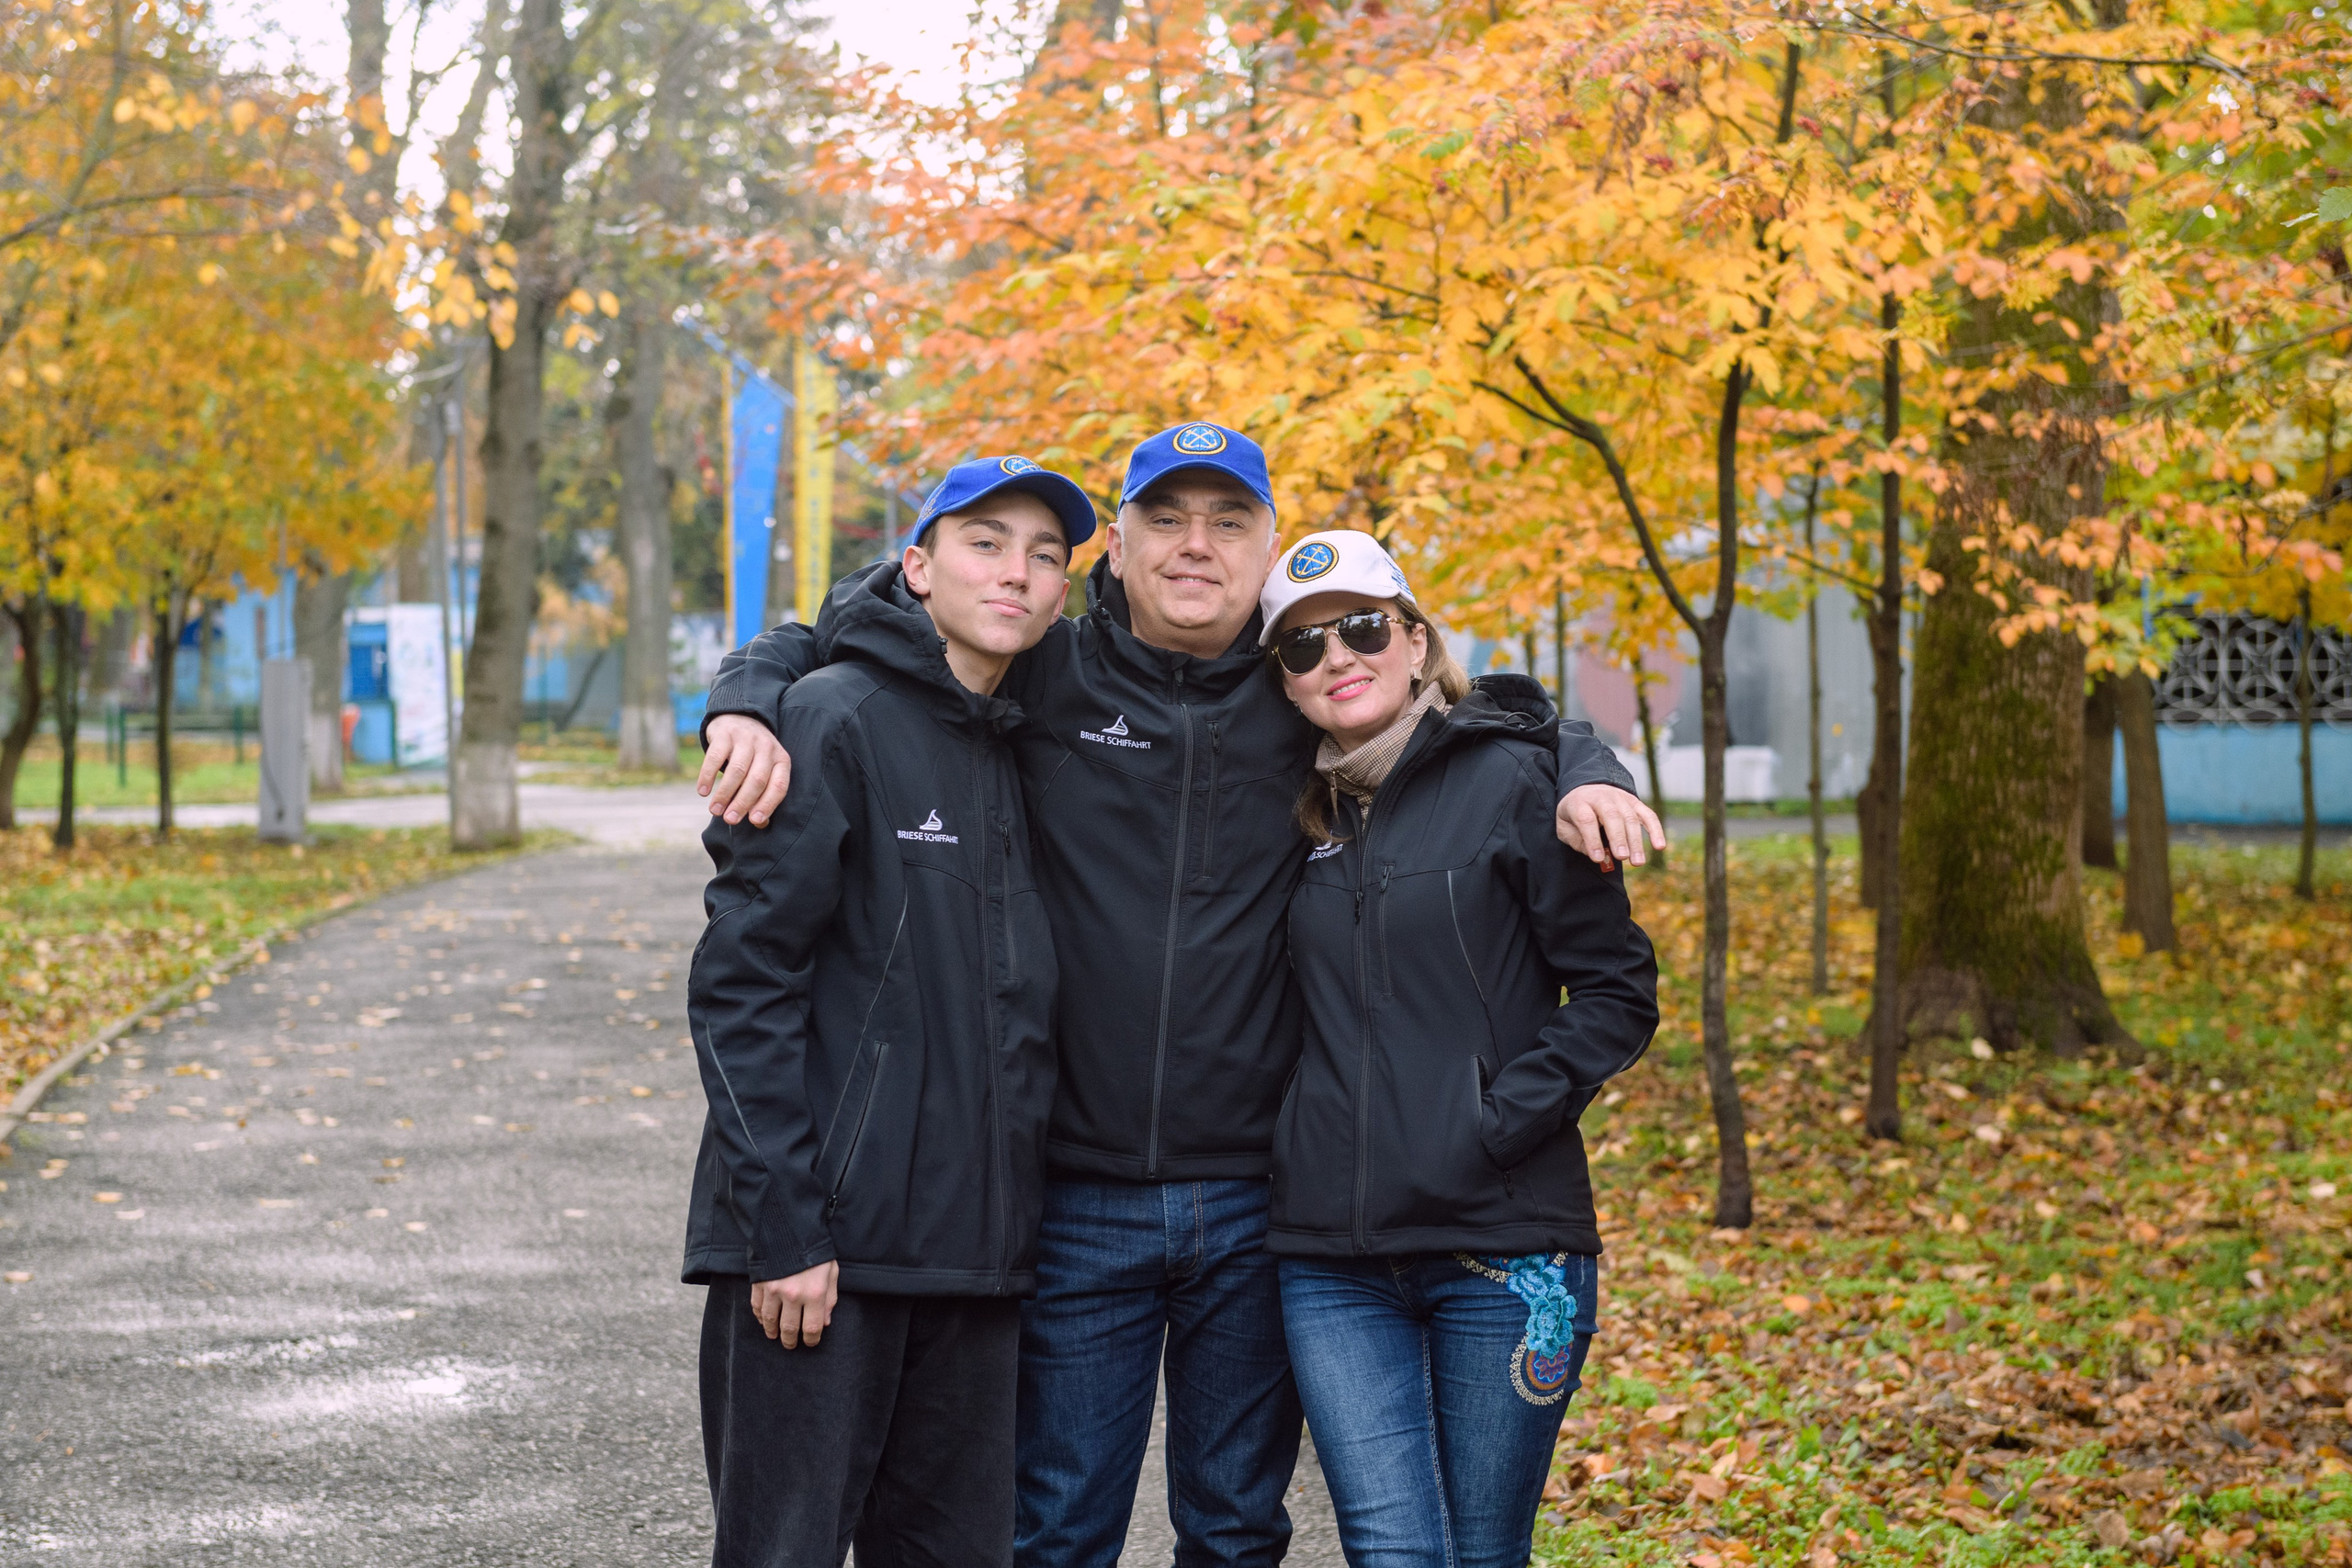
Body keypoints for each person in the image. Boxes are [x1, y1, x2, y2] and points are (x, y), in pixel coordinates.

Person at [692, 423, 1667, 1568]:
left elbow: (1479, 720)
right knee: (1052, 1528)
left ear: (1265, 554)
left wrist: (1589, 759)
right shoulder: (1042, 667)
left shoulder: (1300, 690)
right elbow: (870, 635)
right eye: (1165, 518)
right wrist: (748, 688)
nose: (1195, 546)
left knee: (1237, 1526)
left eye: (1229, 522)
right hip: (1068, 1198)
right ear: (1116, 548)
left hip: (1259, 1205)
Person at [683, 456, 1095, 1568]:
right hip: (822, 1265)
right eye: (984, 543)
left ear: (1064, 595)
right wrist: (785, 1230)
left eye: (1045, 556)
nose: (1016, 571)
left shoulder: (1027, 737)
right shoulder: (830, 719)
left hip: (975, 1264)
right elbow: (741, 987)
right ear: (914, 568)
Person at [1259, 530, 1659, 1568]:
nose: (1335, 658)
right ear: (1283, 685)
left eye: (1359, 628)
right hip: (1331, 1262)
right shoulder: (1289, 814)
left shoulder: (1522, 783)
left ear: (1414, 638)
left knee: (1482, 1553)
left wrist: (1493, 1121)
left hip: (1506, 1248)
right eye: (1300, 648)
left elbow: (1617, 993)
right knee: (1392, 1552)